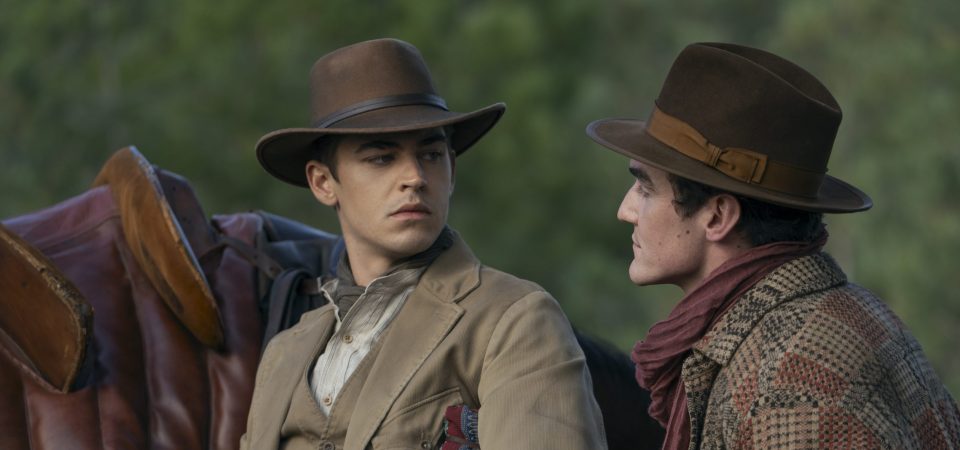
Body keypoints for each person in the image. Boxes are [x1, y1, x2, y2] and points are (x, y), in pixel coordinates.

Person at [586, 42, 960, 449]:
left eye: (645, 188)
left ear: (717, 217)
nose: (625, 210)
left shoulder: (789, 382)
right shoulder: (843, 315)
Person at [240, 38, 606, 450]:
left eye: (431, 154)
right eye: (382, 158)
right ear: (323, 182)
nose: (415, 177)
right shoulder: (284, 353)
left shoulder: (514, 320)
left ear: (452, 170)